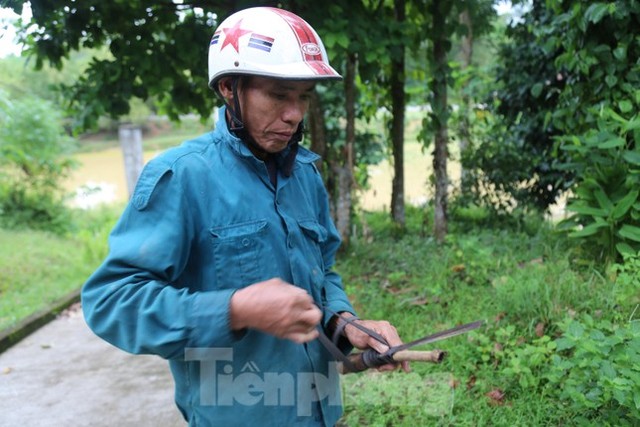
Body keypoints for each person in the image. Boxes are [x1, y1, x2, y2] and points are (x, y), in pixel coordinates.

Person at [82, 6, 407, 427]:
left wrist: (345, 324)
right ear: (229, 89)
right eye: (277, 94)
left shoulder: (304, 174)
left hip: (322, 412)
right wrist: (234, 309)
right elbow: (112, 302)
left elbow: (321, 273)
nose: (294, 114)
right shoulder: (181, 178)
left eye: (303, 95)